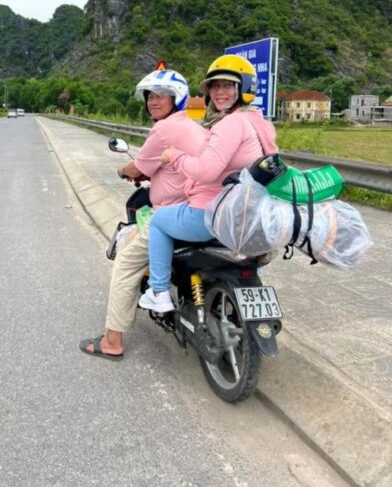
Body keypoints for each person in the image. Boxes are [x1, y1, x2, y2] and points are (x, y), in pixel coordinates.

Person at [79, 68, 209, 360]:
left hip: (173, 213)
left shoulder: (163, 129)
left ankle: (112, 341)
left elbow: (138, 168)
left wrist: (123, 171)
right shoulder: (194, 127)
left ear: (177, 98)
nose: (153, 101)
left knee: (125, 261)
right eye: (150, 96)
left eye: (161, 96)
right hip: (203, 207)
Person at [139, 54, 278, 313]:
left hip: (215, 214)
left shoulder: (232, 123)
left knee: (158, 221)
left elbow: (205, 170)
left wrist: (175, 157)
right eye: (214, 86)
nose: (219, 92)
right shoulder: (260, 122)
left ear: (243, 88)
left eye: (227, 85)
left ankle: (158, 291)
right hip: (251, 215)